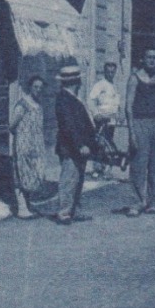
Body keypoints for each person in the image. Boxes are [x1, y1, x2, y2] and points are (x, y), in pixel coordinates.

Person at [123, 48, 155, 215]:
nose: (152, 60)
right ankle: (137, 202)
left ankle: (153, 201)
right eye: (149, 57)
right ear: (143, 59)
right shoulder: (134, 78)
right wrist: (131, 132)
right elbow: (128, 107)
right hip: (139, 122)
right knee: (138, 163)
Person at [50, 64, 95, 224]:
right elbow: (68, 126)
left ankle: (74, 210)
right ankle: (64, 213)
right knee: (69, 179)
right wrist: (80, 145)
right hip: (70, 147)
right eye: (78, 79)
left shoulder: (73, 98)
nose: (80, 82)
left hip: (80, 146)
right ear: (74, 81)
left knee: (78, 179)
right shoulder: (64, 99)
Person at [8, 74, 49, 219]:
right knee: (21, 174)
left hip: (36, 145)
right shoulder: (22, 104)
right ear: (30, 87)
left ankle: (28, 204)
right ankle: (21, 207)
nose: (38, 90)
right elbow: (12, 125)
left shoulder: (39, 105)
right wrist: (22, 138)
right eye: (35, 87)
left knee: (34, 174)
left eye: (40, 88)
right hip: (23, 144)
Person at [87, 61, 123, 178]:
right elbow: (90, 100)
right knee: (100, 144)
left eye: (113, 72)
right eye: (108, 71)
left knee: (108, 145)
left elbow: (117, 104)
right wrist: (96, 113)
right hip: (102, 120)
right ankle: (96, 170)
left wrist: (120, 114)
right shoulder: (100, 85)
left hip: (111, 121)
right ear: (104, 72)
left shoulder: (114, 86)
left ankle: (105, 168)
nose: (110, 74)